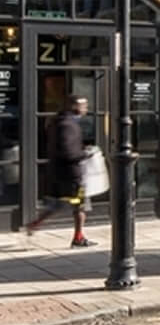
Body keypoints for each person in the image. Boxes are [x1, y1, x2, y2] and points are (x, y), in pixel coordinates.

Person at [25, 95, 91, 246]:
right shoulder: (68, 124)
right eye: (84, 106)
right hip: (71, 173)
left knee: (59, 204)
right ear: (75, 107)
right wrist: (84, 153)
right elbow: (68, 151)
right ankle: (78, 238)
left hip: (59, 172)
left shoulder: (58, 121)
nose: (86, 109)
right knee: (80, 205)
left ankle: (35, 223)